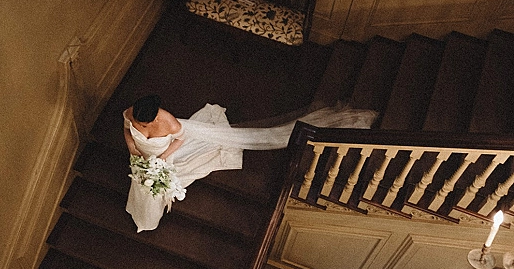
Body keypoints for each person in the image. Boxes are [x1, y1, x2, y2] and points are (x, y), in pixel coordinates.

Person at [123, 96, 377, 233]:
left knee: (154, 184)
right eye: (139, 122)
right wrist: (134, 147)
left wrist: (162, 157)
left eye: (145, 124)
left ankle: (148, 216)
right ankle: (142, 210)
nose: (140, 127)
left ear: (155, 116)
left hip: (161, 155)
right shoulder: (132, 113)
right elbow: (127, 128)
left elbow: (180, 140)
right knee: (144, 181)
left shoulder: (170, 123)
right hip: (142, 155)